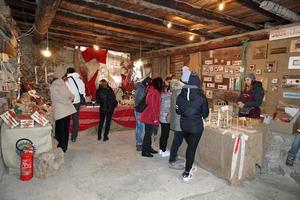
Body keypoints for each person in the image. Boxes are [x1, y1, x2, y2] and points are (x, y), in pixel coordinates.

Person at [176, 66, 209, 182]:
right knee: (191, 148)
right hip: (196, 127)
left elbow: (178, 111)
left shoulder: (180, 95)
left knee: (191, 146)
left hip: (183, 125)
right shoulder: (201, 97)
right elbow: (205, 115)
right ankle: (186, 172)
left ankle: (189, 165)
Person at [50, 77, 76, 153]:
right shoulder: (64, 85)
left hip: (60, 111)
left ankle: (62, 147)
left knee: (60, 130)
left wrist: (67, 102)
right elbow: (72, 95)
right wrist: (69, 101)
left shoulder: (53, 86)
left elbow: (57, 99)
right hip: (67, 111)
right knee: (66, 129)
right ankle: (65, 145)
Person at [140, 77, 163, 157]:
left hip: (149, 115)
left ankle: (148, 148)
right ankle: (144, 151)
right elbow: (153, 106)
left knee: (149, 134)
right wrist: (155, 119)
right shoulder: (154, 91)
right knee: (148, 134)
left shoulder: (152, 89)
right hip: (149, 116)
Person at [65, 67, 86, 143]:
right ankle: (74, 137)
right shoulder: (80, 80)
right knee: (75, 120)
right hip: (77, 103)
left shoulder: (67, 80)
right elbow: (83, 92)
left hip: (69, 103)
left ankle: (64, 136)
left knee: (65, 120)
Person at [168, 79, 185, 170]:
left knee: (177, 141)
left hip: (176, 120)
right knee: (177, 141)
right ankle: (172, 160)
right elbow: (181, 107)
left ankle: (174, 156)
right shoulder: (179, 93)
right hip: (179, 121)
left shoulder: (174, 92)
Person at [133, 77, 152, 151]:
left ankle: (139, 142)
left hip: (138, 109)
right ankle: (139, 143)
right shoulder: (142, 89)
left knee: (139, 127)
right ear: (147, 83)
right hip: (140, 110)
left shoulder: (140, 87)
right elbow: (140, 100)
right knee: (140, 127)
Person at [159, 76, 172, 157]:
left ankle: (161, 149)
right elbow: (167, 107)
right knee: (165, 135)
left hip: (162, 116)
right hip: (166, 117)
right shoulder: (168, 95)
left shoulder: (162, 94)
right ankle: (163, 150)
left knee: (163, 134)